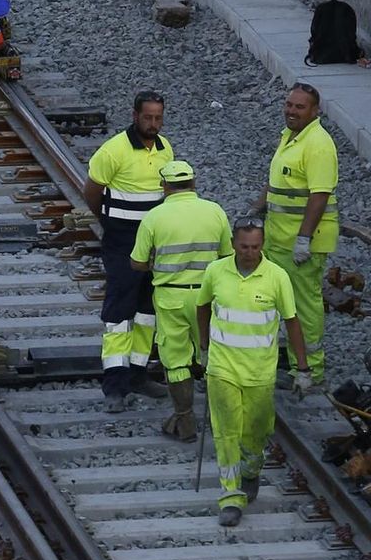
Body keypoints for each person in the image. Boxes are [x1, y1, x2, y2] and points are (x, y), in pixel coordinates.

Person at [196, 221, 307, 528]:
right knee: (226, 433)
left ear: (263, 245)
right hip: (222, 369)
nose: (249, 253)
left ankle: (252, 469)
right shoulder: (216, 272)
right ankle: (230, 497)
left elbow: (292, 322)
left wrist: (303, 368)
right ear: (234, 244)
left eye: (255, 247)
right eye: (244, 247)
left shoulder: (277, 277)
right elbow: (202, 307)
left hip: (260, 372)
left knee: (256, 430)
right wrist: (204, 347)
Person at [129, 159, 232, 440]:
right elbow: (227, 257)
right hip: (207, 296)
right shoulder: (215, 211)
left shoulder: (154, 217)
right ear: (193, 183)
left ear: (165, 187)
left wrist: (157, 263)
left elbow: (137, 263)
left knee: (175, 360)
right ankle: (223, 420)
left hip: (170, 296)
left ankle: (185, 421)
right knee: (213, 355)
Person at [84, 90, 174, 411]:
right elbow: (92, 192)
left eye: (158, 118)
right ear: (135, 116)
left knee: (148, 311)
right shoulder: (114, 151)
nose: (153, 124)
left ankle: (138, 374)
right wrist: (108, 223)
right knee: (119, 313)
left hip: (155, 244)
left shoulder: (165, 150)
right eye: (147, 117)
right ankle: (115, 386)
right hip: (123, 242)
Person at [260, 82, 338, 388]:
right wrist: (258, 206)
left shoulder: (318, 144)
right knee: (281, 302)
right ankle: (292, 361)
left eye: (299, 107)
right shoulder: (291, 137)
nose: (291, 111)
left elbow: (319, 195)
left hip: (301, 243)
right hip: (279, 239)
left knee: (303, 306)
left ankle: (310, 370)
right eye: (289, 105)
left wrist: (304, 239)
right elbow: (279, 182)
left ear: (315, 111)